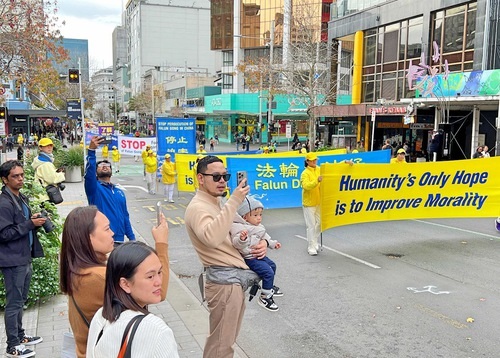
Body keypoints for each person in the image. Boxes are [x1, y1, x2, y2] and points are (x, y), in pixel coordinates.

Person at [59, 206, 171, 358]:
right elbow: (159, 292)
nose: (112, 232)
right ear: (87, 237)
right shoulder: (98, 277)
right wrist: (161, 243)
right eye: (106, 229)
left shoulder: (78, 270)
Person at [184, 155, 267, 358]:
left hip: (231, 282)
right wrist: (234, 201)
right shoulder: (198, 207)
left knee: (225, 342)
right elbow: (211, 238)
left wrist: (262, 243)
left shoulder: (216, 203)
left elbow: (243, 230)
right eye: (216, 176)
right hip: (224, 283)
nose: (222, 181)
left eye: (225, 176)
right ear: (200, 178)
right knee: (221, 346)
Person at [86, 242, 179, 357]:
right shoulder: (156, 330)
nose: (159, 282)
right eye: (150, 276)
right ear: (125, 284)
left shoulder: (101, 316)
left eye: (159, 272)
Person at [0, 160, 45, 358]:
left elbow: (21, 223)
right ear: (4, 179)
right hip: (12, 260)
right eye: (15, 176)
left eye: (21, 175)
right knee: (14, 303)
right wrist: (29, 224)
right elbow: (4, 234)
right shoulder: (4, 203)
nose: (20, 179)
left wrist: (32, 220)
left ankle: (20, 336)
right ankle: (12, 345)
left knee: (21, 300)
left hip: (23, 256)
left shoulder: (19, 197)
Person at [231, 196, 283, 312]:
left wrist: (273, 244)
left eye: (260, 215)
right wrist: (242, 239)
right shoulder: (239, 227)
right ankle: (265, 297)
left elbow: (265, 237)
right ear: (244, 216)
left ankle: (269, 286)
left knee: (273, 265)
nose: (259, 218)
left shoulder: (258, 227)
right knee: (268, 272)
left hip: (258, 255)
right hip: (250, 258)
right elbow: (236, 243)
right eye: (255, 215)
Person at [84, 136, 135, 243]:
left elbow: (125, 216)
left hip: (120, 241)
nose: (104, 166)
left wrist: (132, 238)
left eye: (107, 165)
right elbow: (89, 174)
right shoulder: (94, 189)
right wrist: (91, 151)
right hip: (102, 239)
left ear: (111, 171)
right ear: (96, 173)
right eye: (101, 165)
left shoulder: (119, 192)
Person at [300, 152, 322, 256]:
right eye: (312, 160)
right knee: (311, 226)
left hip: (319, 201)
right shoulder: (305, 173)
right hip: (309, 203)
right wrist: (316, 181)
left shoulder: (319, 169)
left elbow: (331, 169)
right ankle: (311, 246)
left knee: (322, 223)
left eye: (315, 159)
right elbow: (306, 186)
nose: (314, 161)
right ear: (307, 161)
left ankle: (314, 240)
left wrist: (344, 162)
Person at [31, 137, 66, 202]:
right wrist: (61, 174)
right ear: (40, 148)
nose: (49, 147)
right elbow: (52, 179)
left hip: (41, 195)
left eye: (51, 145)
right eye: (46, 146)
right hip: (45, 197)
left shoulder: (40, 160)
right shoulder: (45, 164)